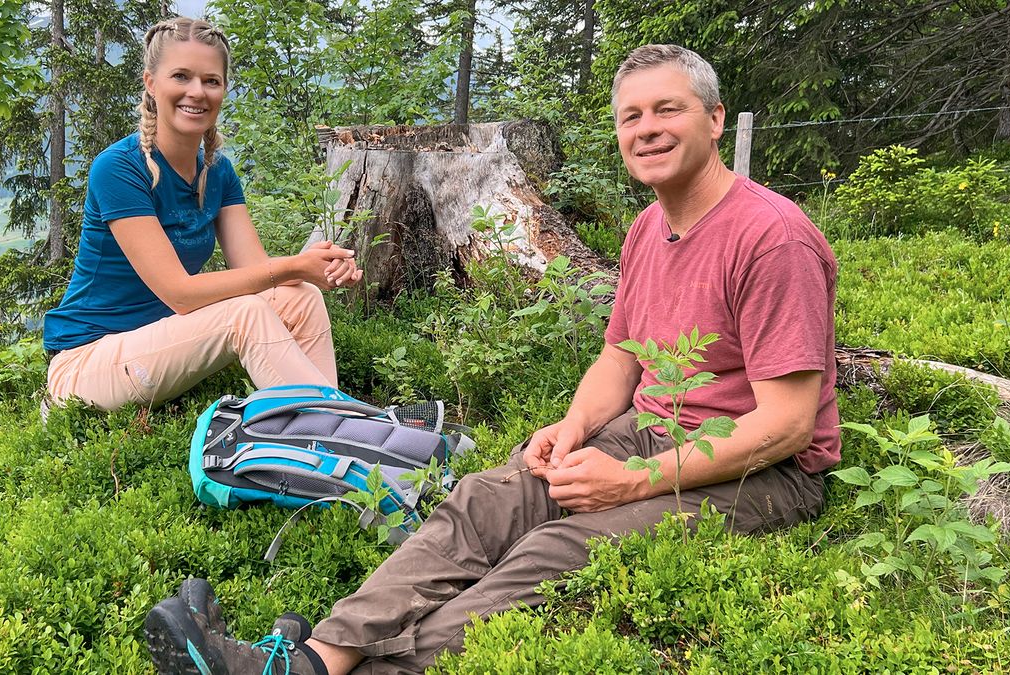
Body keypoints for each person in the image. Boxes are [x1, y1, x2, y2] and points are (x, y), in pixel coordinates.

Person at [143, 44, 840, 675]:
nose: (647, 129)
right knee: (487, 499)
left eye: (668, 109)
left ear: (715, 119)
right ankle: (313, 661)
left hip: (765, 470)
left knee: (553, 548)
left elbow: (785, 424)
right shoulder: (650, 227)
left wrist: (632, 480)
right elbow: (619, 359)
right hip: (653, 427)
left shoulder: (771, 237)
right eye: (631, 116)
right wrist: (573, 428)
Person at [43, 17, 362, 412]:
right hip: (86, 364)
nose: (197, 92)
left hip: (162, 344)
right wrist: (296, 264)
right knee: (244, 312)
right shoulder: (119, 168)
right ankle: (344, 428)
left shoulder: (218, 172)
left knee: (300, 296)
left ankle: (331, 427)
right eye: (181, 76)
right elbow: (179, 294)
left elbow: (260, 275)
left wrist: (316, 269)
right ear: (151, 83)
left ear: (223, 90)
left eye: (211, 81)